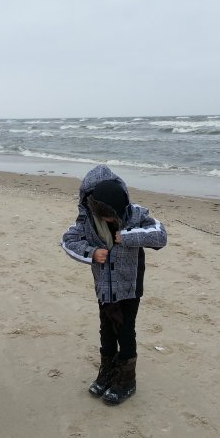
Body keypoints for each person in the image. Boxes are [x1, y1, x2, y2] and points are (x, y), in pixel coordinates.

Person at [61, 165, 167, 405]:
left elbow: (161, 236)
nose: (111, 221)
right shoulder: (86, 219)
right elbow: (67, 241)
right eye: (108, 218)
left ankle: (127, 380)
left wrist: (128, 236)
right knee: (107, 330)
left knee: (126, 331)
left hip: (130, 287)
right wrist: (91, 252)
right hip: (104, 287)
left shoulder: (136, 213)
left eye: (114, 217)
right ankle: (107, 371)